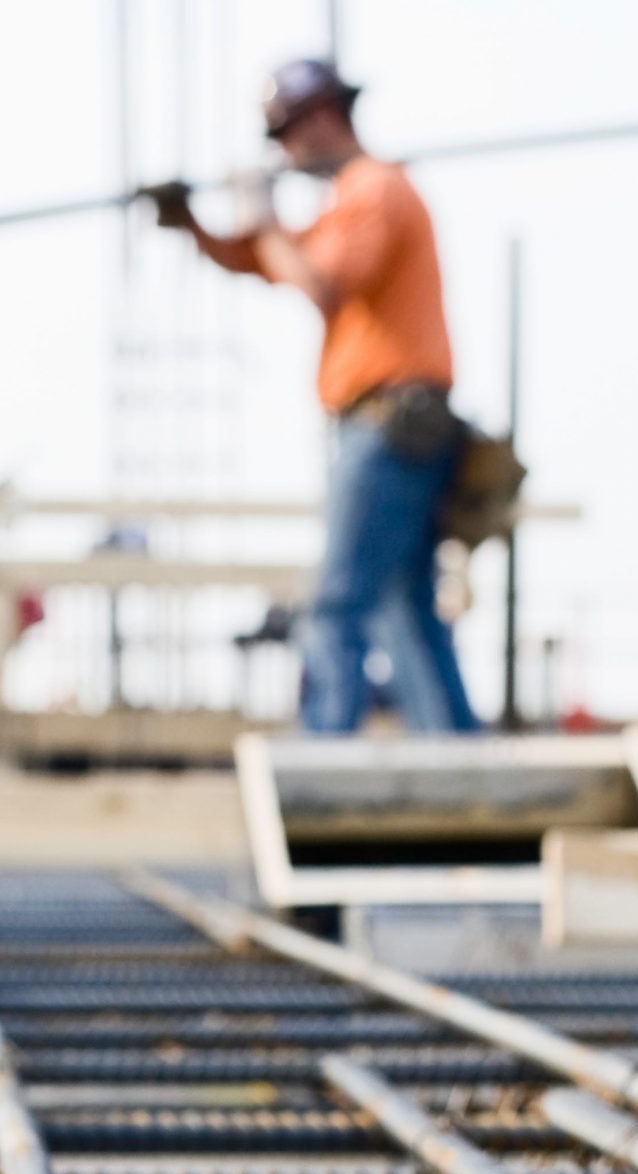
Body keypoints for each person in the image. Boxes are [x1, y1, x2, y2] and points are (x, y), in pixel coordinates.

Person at [149, 57, 476, 734]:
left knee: (338, 602)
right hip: (395, 426)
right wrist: (196, 226)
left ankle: (324, 749)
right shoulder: (350, 203)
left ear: (322, 119)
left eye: (286, 134)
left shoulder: (374, 189)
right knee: (403, 601)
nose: (283, 151)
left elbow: (323, 282)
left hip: (391, 425)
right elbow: (268, 260)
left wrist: (261, 209)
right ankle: (456, 751)